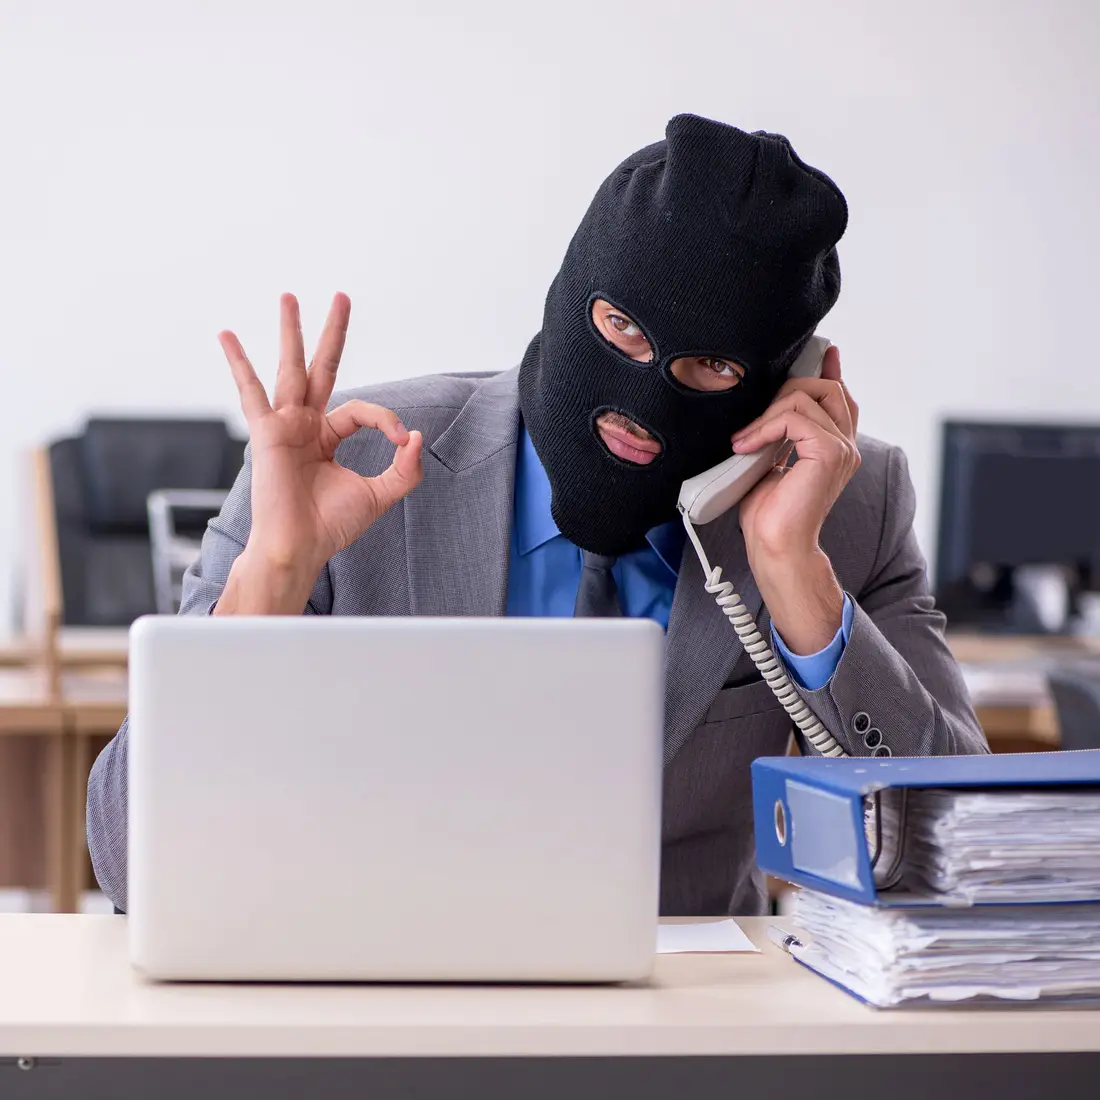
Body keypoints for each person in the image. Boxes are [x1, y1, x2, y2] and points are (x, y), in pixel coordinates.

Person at [87, 113, 988, 916]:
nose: (645, 396)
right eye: (622, 328)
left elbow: (964, 856)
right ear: (567, 297)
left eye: (710, 368)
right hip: (373, 1012)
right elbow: (130, 865)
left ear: (790, 381)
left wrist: (797, 579)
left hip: (684, 1042)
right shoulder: (342, 458)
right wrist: (273, 578)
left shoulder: (850, 505)